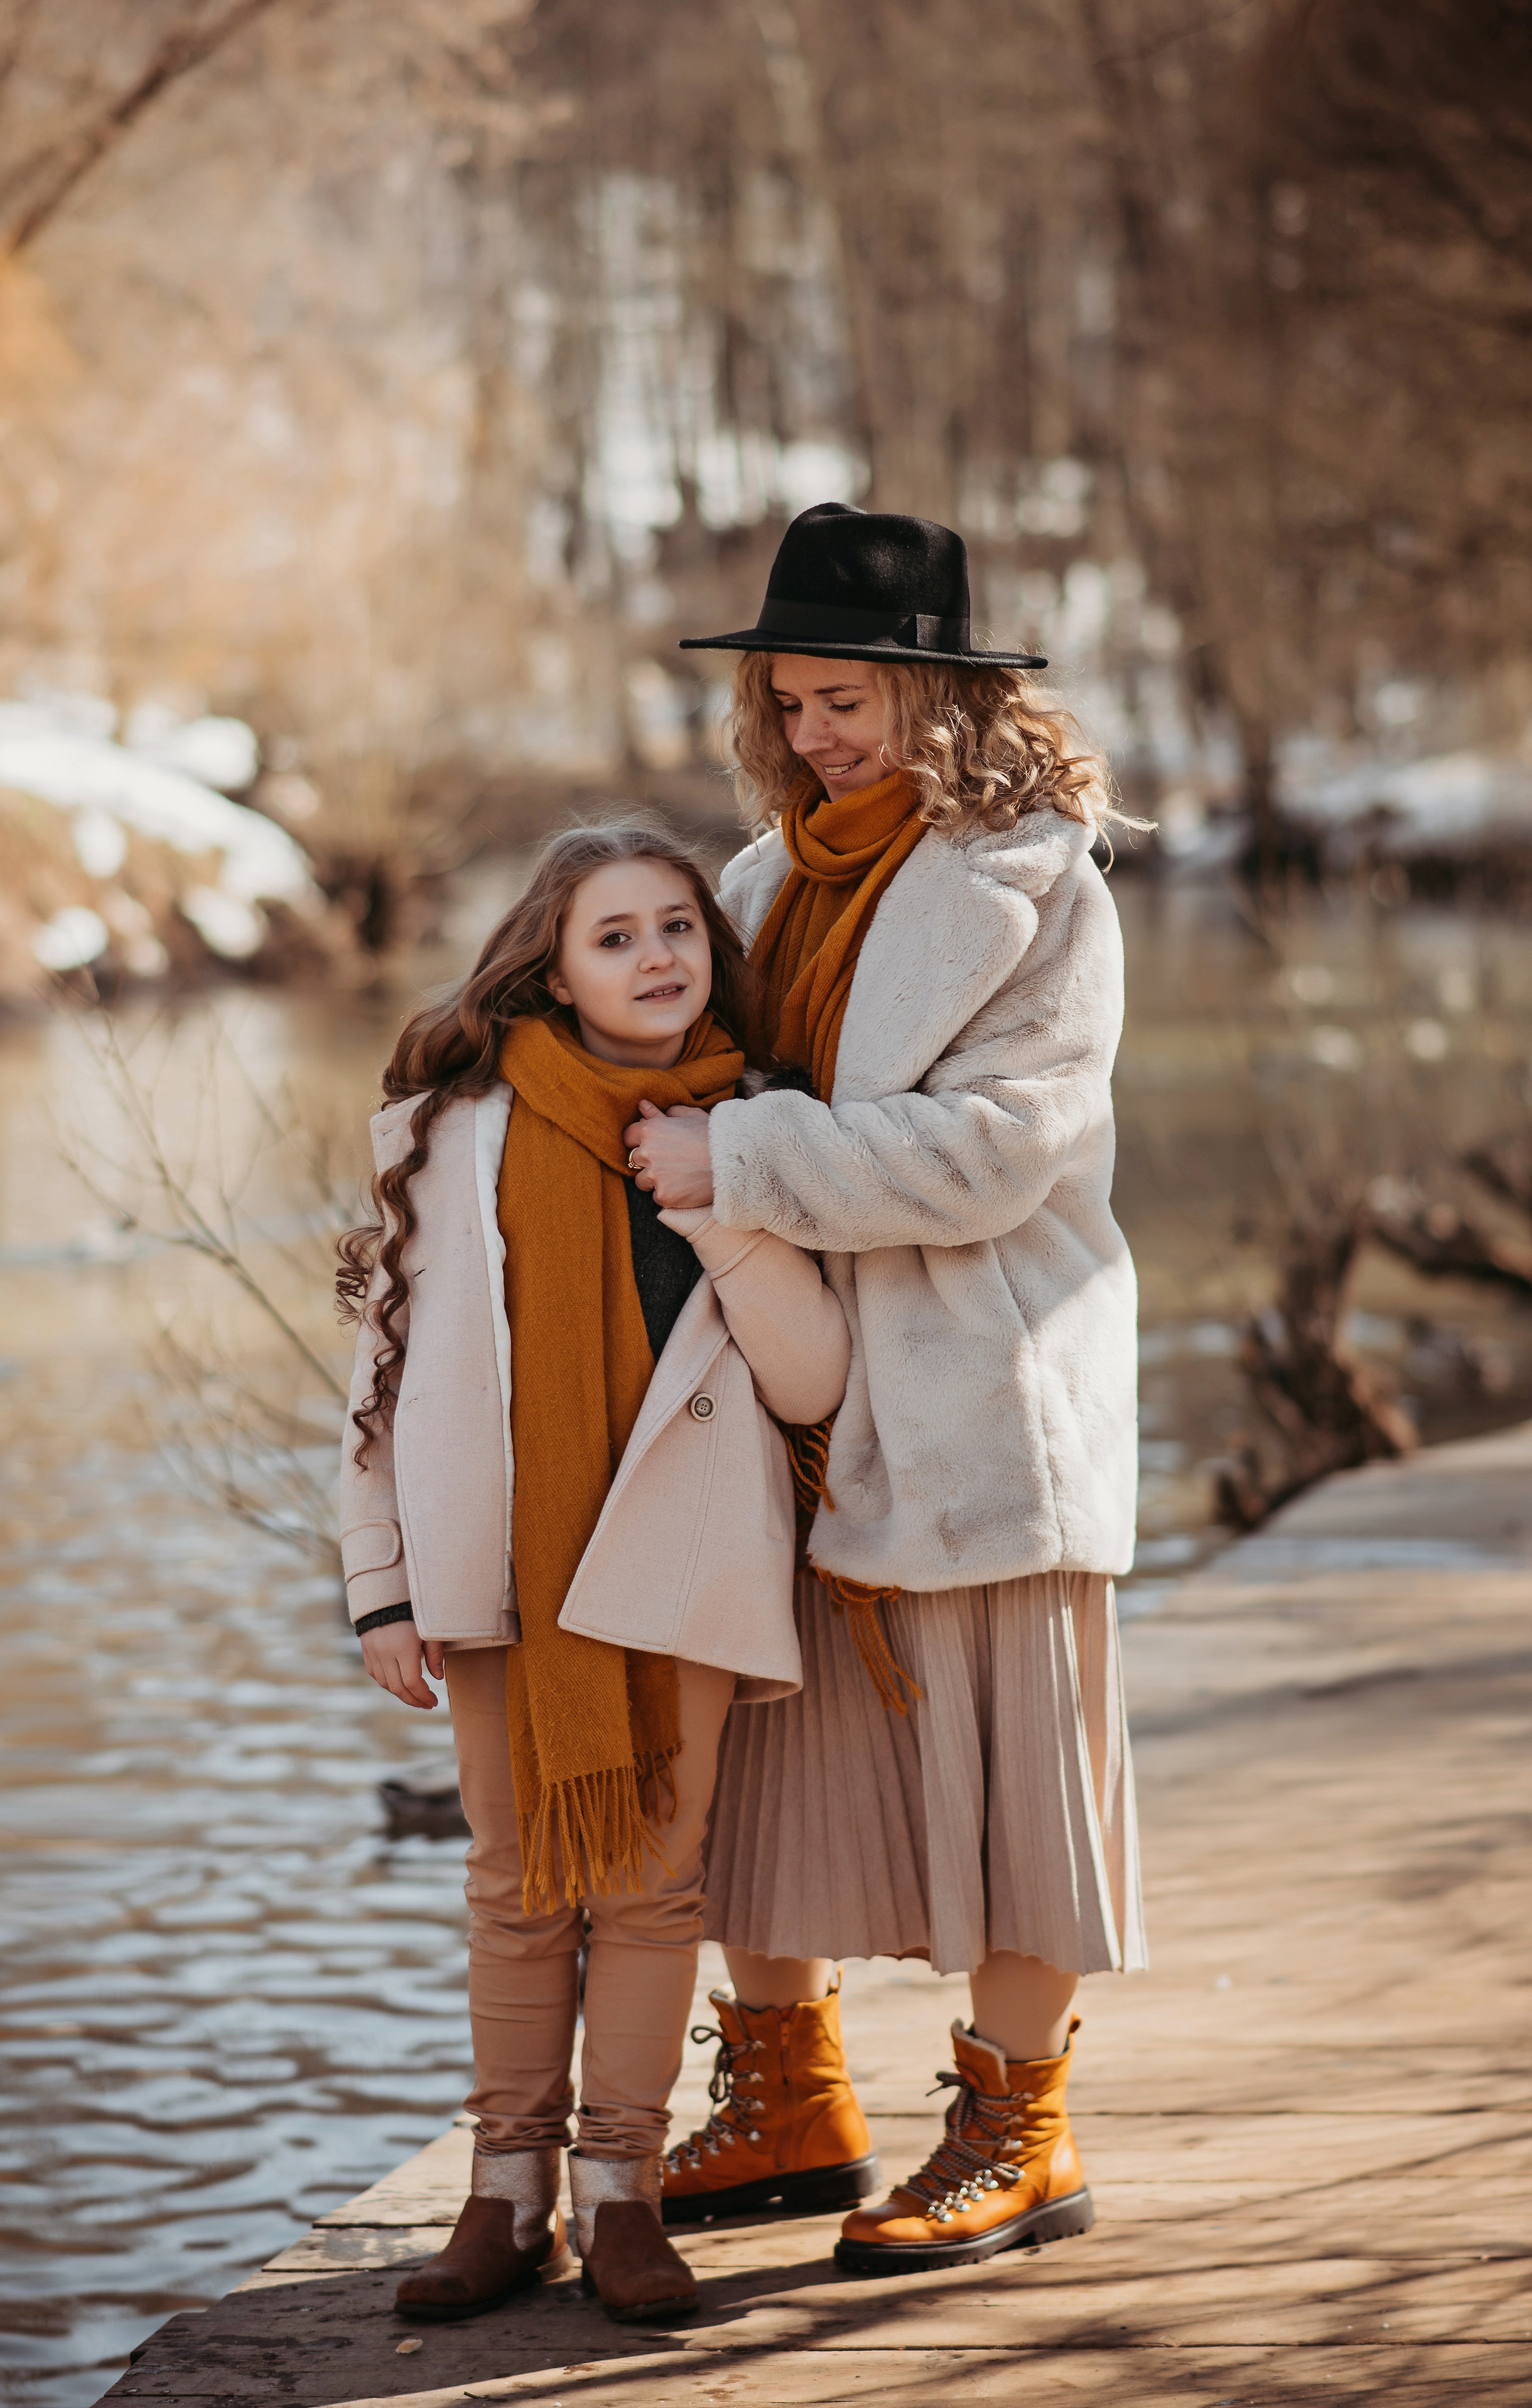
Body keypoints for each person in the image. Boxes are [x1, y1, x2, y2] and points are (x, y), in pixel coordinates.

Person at [625, 502, 1145, 2274]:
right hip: (797, 1396)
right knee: (776, 1770)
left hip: (986, 1386)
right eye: (786, 701)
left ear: (938, 694)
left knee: (1018, 1788)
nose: (809, 734)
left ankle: (1021, 2126)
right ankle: (791, 2100)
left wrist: (743, 1161)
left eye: (842, 700)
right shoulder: (762, 883)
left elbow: (1000, 1155)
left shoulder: (1038, 891)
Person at [335, 825, 855, 2323]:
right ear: (550, 967)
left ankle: (620, 2192)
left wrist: (715, 1200)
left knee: (651, 1888)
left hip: (682, 1558)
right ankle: (506, 2195)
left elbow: (811, 1381)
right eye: (615, 936)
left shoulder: (757, 1125)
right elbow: (375, 1375)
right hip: (499, 1559)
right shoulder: (453, 1125)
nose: (655, 959)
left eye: (677, 928)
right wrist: (380, 1584)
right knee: (512, 1885)